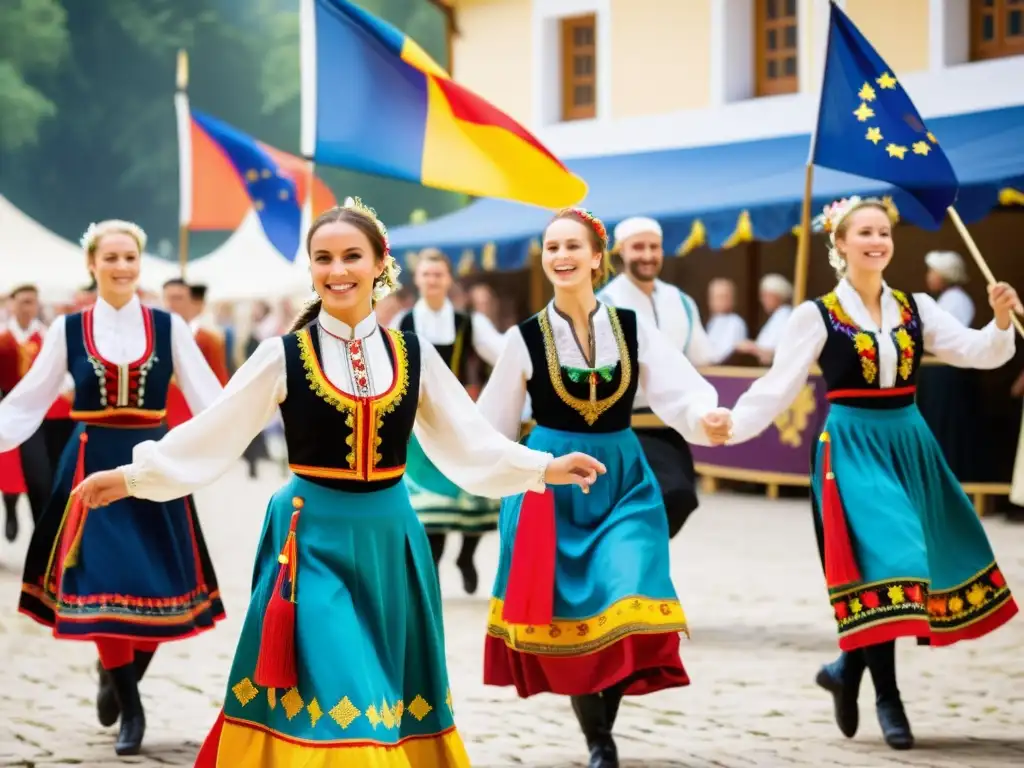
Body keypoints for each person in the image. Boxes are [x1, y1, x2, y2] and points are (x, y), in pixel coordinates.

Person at [73, 199, 606, 767]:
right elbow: (215, 431)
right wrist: (133, 476)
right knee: (344, 688)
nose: (337, 270)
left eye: (352, 256)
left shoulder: (412, 353)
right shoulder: (283, 355)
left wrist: (541, 468)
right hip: (310, 544)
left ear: (381, 263)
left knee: (386, 694)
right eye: (323, 258)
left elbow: (467, 438)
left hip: (390, 545)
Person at [726, 197, 1019, 750]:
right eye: (864, 232)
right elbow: (778, 385)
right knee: (892, 561)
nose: (877, 241)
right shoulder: (815, 315)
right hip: (853, 447)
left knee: (906, 569)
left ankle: (846, 668)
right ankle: (888, 697)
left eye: (884, 232)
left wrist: (1000, 319)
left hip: (909, 441)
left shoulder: (917, 307)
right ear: (839, 244)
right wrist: (729, 424)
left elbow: (977, 351)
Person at [477, 208, 731, 768]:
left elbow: (681, 390)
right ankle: (599, 739)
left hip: (622, 480)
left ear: (597, 257)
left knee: (630, 586)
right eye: (551, 248)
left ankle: (604, 724)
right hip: (552, 486)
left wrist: (704, 416)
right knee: (569, 614)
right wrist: (512, 473)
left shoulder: (633, 330)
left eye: (573, 246)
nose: (561, 256)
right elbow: (489, 427)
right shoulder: (524, 340)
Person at [0, 220, 226, 756]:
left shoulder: (170, 327)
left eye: (131, 258)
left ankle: (117, 673)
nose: (123, 267)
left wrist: (243, 434)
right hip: (90, 467)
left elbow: (211, 399)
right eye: (112, 258)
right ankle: (131, 702)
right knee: (101, 578)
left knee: (155, 584)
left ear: (140, 264)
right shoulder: (69, 329)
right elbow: (30, 400)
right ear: (92, 264)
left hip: (154, 465)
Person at [392, 248, 508, 593]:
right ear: (418, 279)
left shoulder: (469, 322)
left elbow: (503, 356)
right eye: (426, 274)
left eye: (438, 274)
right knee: (430, 505)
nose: (432, 280)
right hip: (420, 419)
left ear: (448, 279)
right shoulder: (404, 322)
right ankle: (435, 572)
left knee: (471, 496)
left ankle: (466, 556)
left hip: (458, 417)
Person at [598, 216, 715, 538]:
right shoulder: (605, 303)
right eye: (638, 247)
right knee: (650, 498)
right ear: (621, 251)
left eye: (654, 247)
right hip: (626, 424)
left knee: (681, 497)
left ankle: (638, 555)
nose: (647, 255)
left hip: (670, 422)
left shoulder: (681, 301)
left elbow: (703, 356)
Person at [163, 280, 230, 428]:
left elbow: (218, 379)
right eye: (168, 298)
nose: (171, 304)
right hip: (163, 419)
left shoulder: (208, 340)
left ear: (191, 302)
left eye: (178, 298)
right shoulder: (155, 337)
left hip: (195, 419)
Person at [735, 273, 793, 364]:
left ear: (776, 296)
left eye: (765, 296)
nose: (762, 300)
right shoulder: (776, 316)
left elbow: (775, 352)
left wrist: (751, 347)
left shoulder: (785, 316)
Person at [705, 277, 749, 363]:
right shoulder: (712, 322)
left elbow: (724, 353)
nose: (718, 301)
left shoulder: (735, 322)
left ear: (732, 299)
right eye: (715, 297)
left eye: (722, 297)